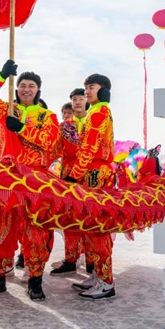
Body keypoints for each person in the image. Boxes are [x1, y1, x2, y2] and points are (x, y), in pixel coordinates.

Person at [0, 59, 60, 301]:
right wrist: (1, 75)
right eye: (22, 85)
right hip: (5, 180)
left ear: (38, 90)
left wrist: (22, 128)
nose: (26, 89)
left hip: (35, 182)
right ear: (16, 88)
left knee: (36, 232)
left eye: (31, 86)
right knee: (0, 229)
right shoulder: (5, 110)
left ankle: (35, 280)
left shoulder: (47, 116)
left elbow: (49, 142)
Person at [65, 74, 116, 300]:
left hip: (95, 173)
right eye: (85, 87)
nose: (86, 91)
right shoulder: (94, 111)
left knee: (97, 229)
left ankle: (106, 282)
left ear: (103, 90)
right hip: (91, 172)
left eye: (91, 87)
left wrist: (74, 175)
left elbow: (89, 147)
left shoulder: (99, 112)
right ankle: (97, 275)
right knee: (89, 227)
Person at [50, 88, 93, 276]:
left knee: (90, 217)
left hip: (90, 176)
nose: (77, 102)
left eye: (80, 99)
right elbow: (55, 149)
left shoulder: (95, 122)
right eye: (74, 99)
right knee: (70, 218)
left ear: (87, 101)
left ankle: (92, 261)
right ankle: (70, 260)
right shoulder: (65, 126)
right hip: (68, 176)